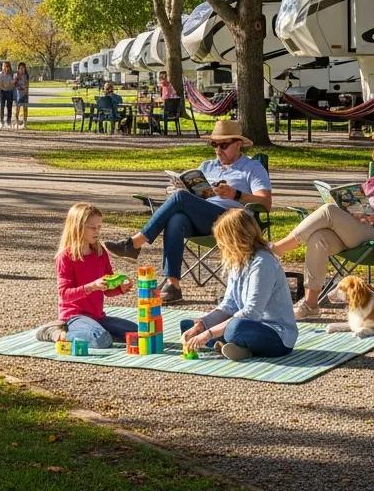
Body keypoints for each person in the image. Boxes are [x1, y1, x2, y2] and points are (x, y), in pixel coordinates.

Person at [104, 119, 272, 304]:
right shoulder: (207, 166)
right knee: (176, 218)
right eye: (214, 144)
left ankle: (134, 244)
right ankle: (173, 284)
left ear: (239, 144)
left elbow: (265, 203)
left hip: (233, 222)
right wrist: (176, 189)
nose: (218, 150)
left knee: (180, 199)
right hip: (202, 219)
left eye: (224, 145)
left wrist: (237, 194)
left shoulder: (252, 168)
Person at [269, 133, 374, 320]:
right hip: (357, 233)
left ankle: (278, 248)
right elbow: (355, 199)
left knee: (329, 210)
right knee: (318, 238)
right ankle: (310, 304)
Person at [181, 207, 297, 361]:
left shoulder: (263, 263)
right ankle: (239, 349)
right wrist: (201, 326)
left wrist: (208, 334)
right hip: (245, 324)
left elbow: (251, 312)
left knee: (235, 329)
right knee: (188, 326)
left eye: (222, 240)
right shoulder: (237, 261)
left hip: (275, 335)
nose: (220, 246)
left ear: (235, 239)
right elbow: (229, 305)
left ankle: (231, 343)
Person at [35, 202, 135, 347]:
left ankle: (96, 333)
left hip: (98, 317)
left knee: (140, 333)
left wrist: (120, 288)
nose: (97, 231)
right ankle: (55, 332)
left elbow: (107, 289)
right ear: (77, 228)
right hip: (74, 316)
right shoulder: (66, 257)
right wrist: (92, 286)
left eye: (99, 227)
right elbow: (64, 294)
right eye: (92, 227)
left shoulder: (100, 253)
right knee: (101, 340)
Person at [0, 61, 16, 130]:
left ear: (9, 67)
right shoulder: (0, 75)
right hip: (2, 91)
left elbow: (15, 84)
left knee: (9, 107)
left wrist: (15, 82)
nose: (6, 68)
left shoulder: (12, 75)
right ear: (2, 67)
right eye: (4, 66)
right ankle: (1, 122)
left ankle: (8, 122)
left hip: (10, 91)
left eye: (7, 66)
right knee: (1, 106)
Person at [14, 62, 31, 130]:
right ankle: (17, 122)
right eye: (20, 68)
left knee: (25, 109)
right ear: (18, 69)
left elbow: (27, 85)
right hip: (18, 94)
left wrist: (26, 91)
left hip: (25, 94)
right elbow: (15, 84)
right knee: (17, 108)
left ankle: (25, 123)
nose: (22, 69)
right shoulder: (16, 75)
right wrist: (20, 87)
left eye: (23, 68)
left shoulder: (26, 76)